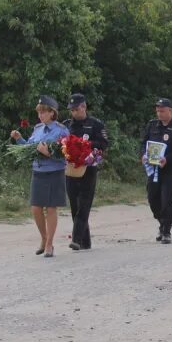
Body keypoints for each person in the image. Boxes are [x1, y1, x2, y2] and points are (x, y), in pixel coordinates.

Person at [10, 95, 70, 258]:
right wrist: (19, 139)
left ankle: (50, 244)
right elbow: (29, 149)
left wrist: (49, 153)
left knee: (51, 208)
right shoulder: (37, 129)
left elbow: (67, 154)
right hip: (38, 172)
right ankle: (44, 238)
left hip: (54, 172)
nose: (40, 115)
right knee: (36, 208)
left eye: (43, 112)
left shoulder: (61, 130)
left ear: (52, 113)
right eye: (39, 113)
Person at [141, 98, 172, 244]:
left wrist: (167, 159)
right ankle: (162, 222)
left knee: (167, 200)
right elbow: (144, 143)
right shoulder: (152, 125)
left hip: (170, 169)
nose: (159, 113)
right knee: (152, 198)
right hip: (153, 169)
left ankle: (166, 230)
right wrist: (143, 154)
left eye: (162, 111)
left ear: (170, 111)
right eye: (157, 111)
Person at [63, 93, 108, 250]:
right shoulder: (66, 124)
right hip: (71, 169)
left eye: (76, 109)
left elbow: (103, 143)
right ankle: (85, 241)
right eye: (72, 110)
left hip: (88, 169)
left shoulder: (95, 124)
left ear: (84, 107)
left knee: (84, 204)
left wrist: (84, 144)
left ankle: (75, 239)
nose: (74, 112)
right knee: (74, 205)